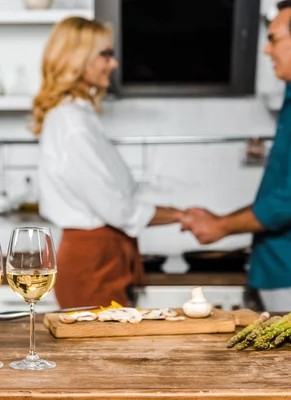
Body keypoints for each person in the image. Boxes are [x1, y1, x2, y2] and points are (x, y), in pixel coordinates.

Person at [181, 0, 291, 312]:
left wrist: (223, 226)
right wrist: (220, 220)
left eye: (274, 38)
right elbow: (283, 194)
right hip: (288, 271)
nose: (266, 50)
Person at [33, 17, 184, 309]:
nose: (113, 64)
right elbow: (118, 208)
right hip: (92, 263)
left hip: (103, 259)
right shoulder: (71, 123)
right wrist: (181, 216)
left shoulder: (81, 117)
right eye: (105, 54)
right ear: (77, 59)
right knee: (100, 352)